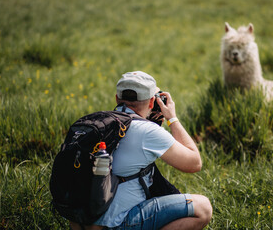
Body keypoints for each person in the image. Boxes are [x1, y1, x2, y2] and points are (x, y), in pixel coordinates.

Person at [70, 71, 212, 230]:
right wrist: (172, 118)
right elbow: (194, 163)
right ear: (152, 102)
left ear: (117, 99)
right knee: (203, 208)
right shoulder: (148, 131)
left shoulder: (98, 123)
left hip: (80, 220)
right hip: (115, 224)